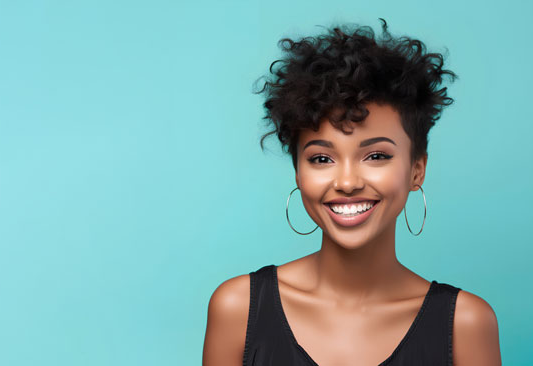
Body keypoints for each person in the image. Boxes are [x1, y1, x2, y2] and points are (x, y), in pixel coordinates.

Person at [202, 19, 501, 366]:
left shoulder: (465, 324)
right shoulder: (238, 309)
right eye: (321, 158)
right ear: (298, 172)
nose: (346, 182)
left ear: (417, 169)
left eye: (376, 156)